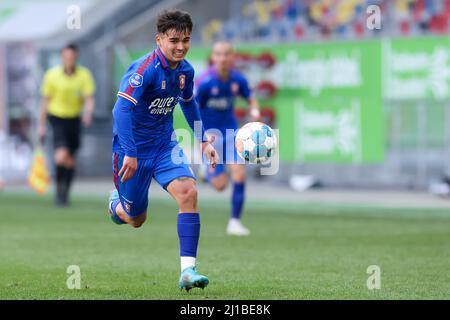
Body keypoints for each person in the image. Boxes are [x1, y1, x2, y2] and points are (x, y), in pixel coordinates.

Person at [109, 9, 218, 291]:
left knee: (189, 193)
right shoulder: (143, 70)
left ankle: (187, 271)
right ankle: (116, 205)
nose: (181, 46)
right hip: (131, 151)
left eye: (186, 39)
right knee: (136, 219)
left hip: (164, 146)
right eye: (174, 40)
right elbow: (120, 110)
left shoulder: (186, 71)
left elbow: (189, 102)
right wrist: (131, 153)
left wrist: (203, 139)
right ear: (159, 40)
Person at [195, 41, 260, 236]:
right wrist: (201, 139)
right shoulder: (205, 82)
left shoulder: (237, 79)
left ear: (232, 57)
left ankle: (235, 222)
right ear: (213, 57)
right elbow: (193, 110)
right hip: (211, 137)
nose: (222, 58)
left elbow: (250, 97)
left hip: (232, 134)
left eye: (226, 54)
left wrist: (255, 112)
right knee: (221, 186)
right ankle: (207, 172)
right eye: (218, 54)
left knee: (239, 173)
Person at [38, 43, 95, 206]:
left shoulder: (84, 75)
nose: (69, 59)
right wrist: (41, 124)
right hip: (56, 118)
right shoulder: (52, 75)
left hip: (74, 120)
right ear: (62, 57)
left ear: (76, 57)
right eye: (66, 56)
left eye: (72, 56)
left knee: (70, 160)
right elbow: (44, 101)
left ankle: (65, 193)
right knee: (61, 155)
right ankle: (59, 192)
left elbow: (89, 98)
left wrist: (87, 113)